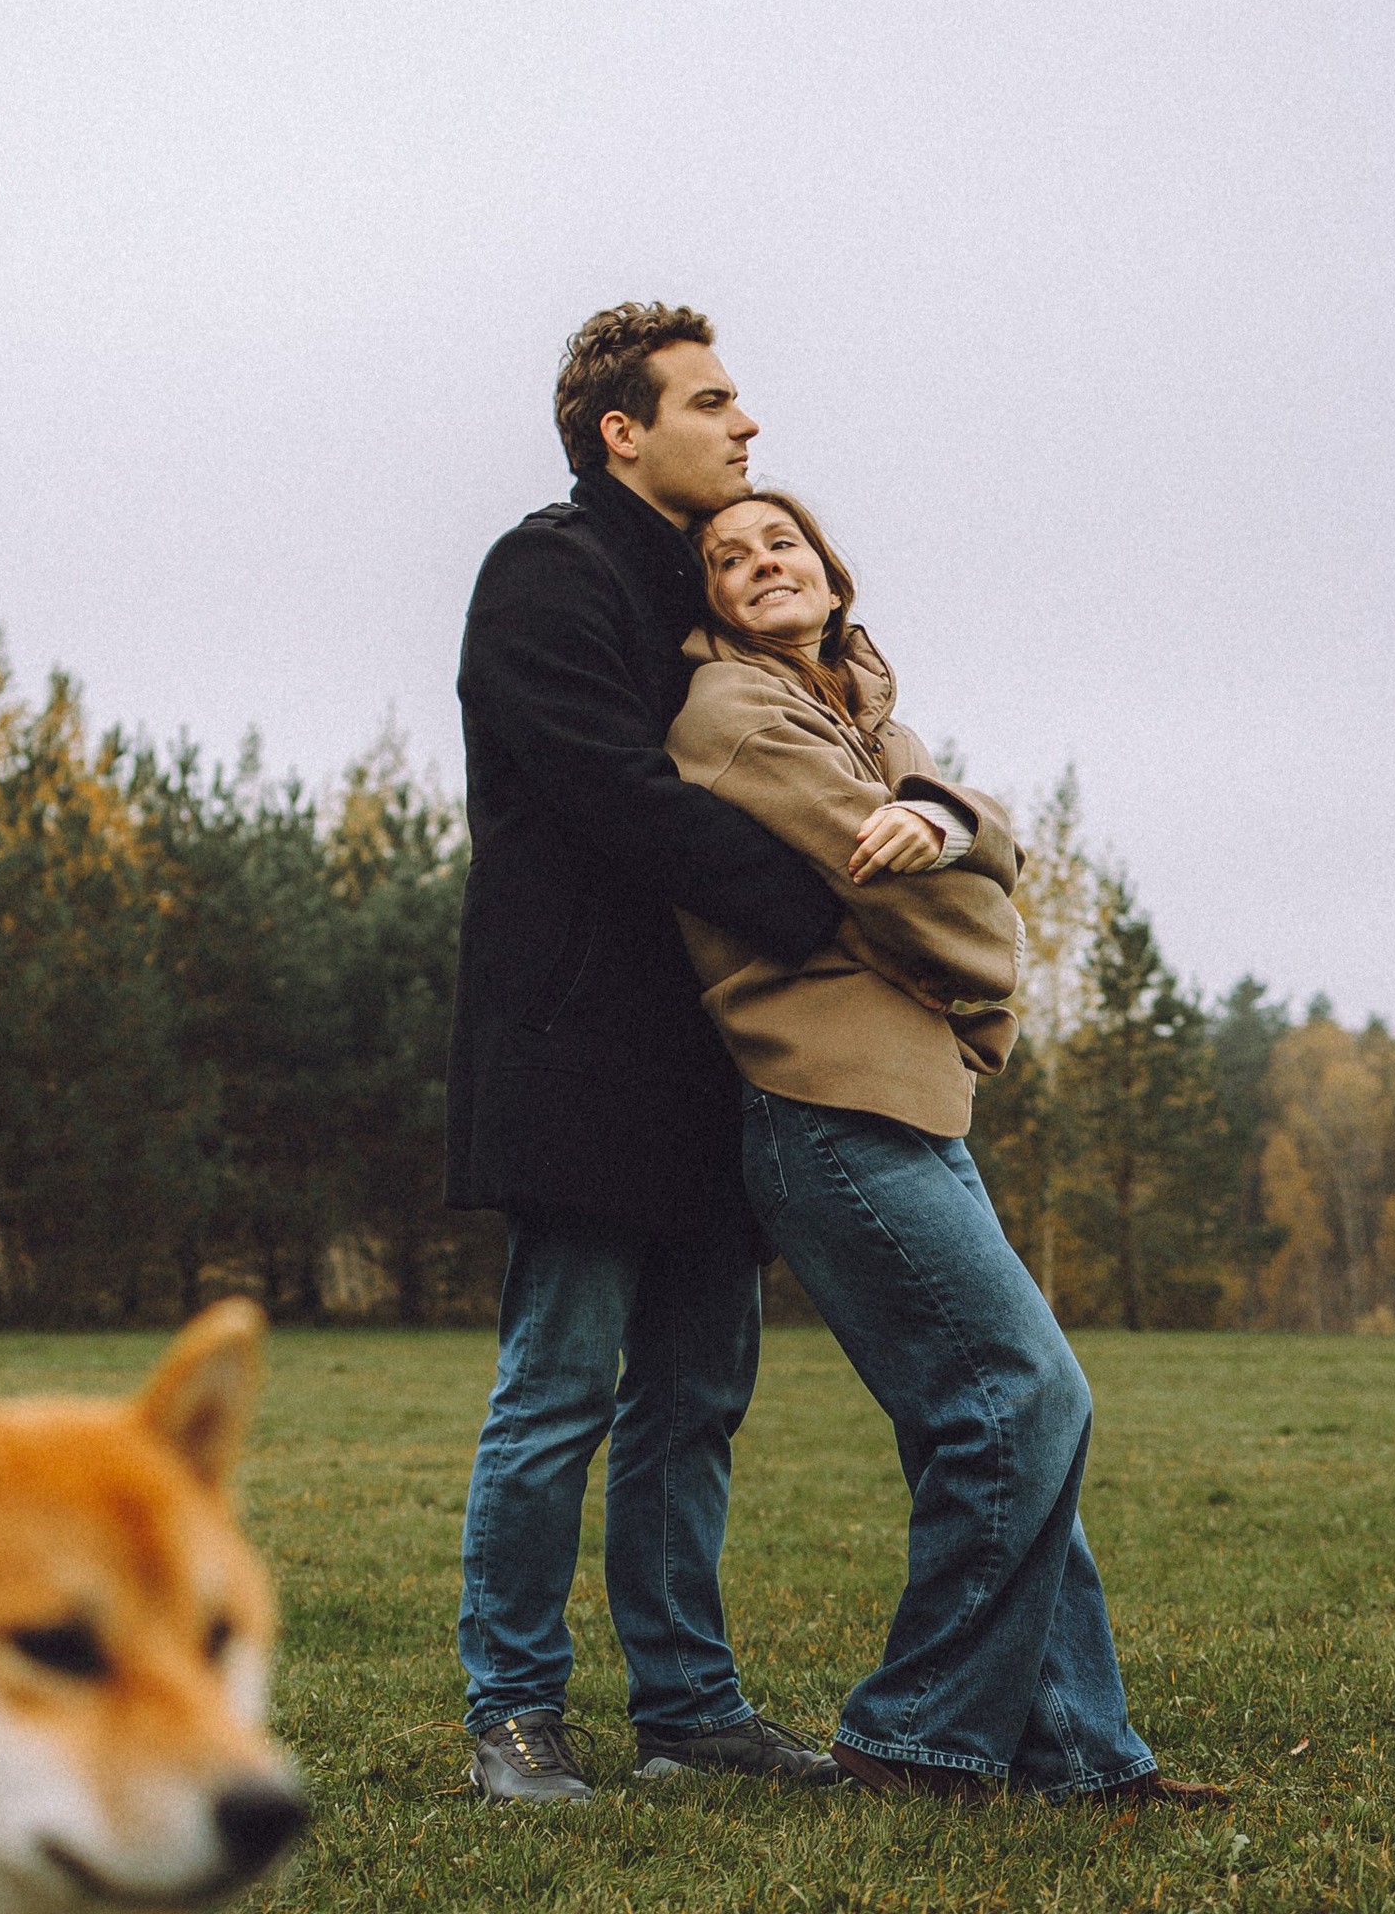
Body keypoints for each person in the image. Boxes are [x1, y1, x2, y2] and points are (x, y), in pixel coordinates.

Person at [665, 486, 1228, 1810]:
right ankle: (910, 1737)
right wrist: (988, 956)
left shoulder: (870, 716)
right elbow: (917, 904)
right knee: (1028, 1397)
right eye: (728, 560)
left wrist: (964, 827)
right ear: (707, 602)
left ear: (832, 568)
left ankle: (1082, 1755)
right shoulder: (735, 716)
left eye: (781, 543)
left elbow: (987, 834)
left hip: (912, 1099)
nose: (760, 565)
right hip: (828, 1105)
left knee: (998, 1427)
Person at [446, 304, 852, 1808]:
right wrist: (811, 895)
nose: (747, 426)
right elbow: (610, 790)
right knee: (558, 1384)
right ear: (624, 429)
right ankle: (514, 1724)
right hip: (577, 1047)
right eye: (714, 401)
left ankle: (689, 1712)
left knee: (695, 1395)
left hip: (711, 1052)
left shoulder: (709, 586)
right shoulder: (546, 572)